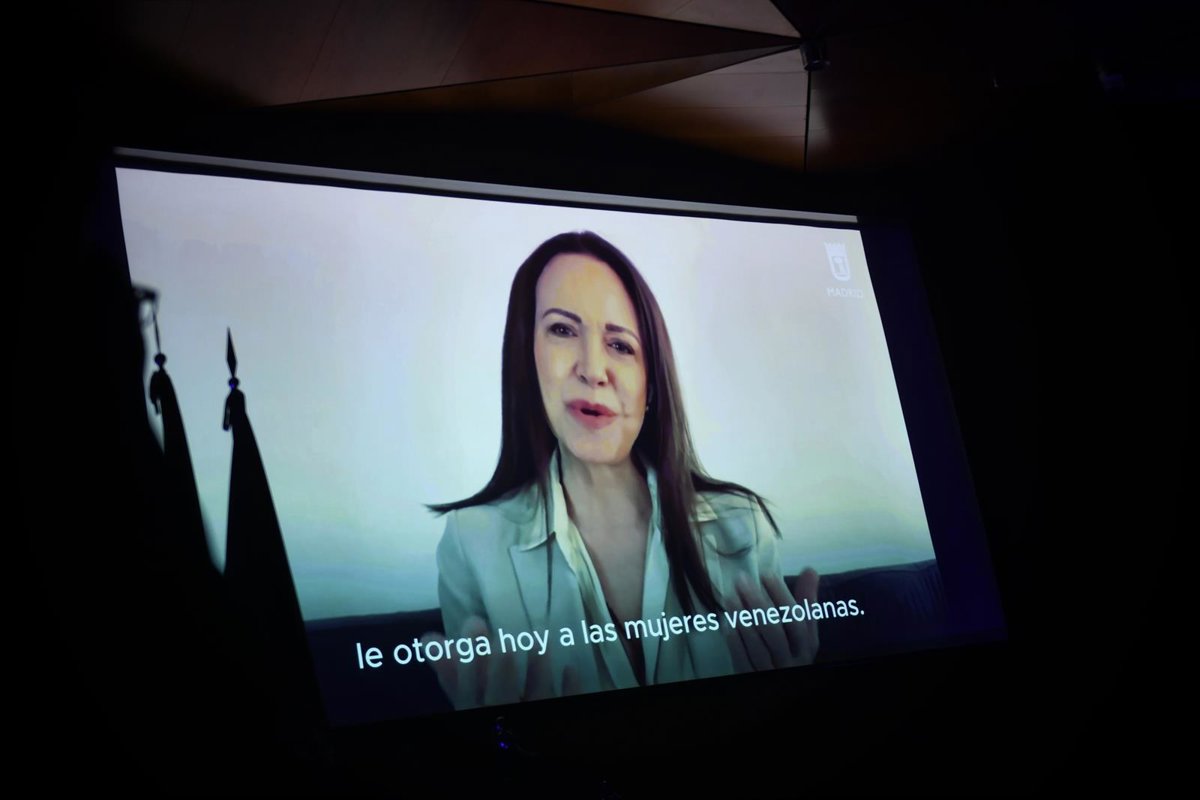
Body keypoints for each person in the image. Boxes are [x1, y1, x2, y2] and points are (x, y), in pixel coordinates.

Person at [424, 231, 818, 709]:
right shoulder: (469, 543)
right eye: (562, 330)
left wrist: (796, 692)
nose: (593, 370)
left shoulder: (742, 525)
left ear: (651, 385)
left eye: (621, 345)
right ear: (527, 359)